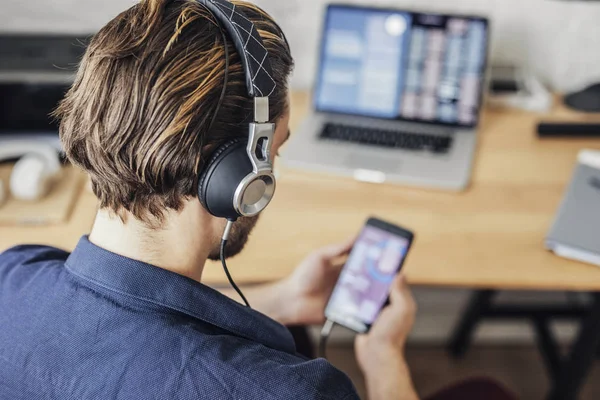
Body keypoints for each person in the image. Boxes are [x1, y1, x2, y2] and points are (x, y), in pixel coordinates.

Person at [0, 1, 517, 399]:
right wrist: (383, 362)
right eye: (276, 151)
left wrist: (282, 300)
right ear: (240, 178)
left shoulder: (13, 275)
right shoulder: (297, 390)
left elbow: (131, 327)